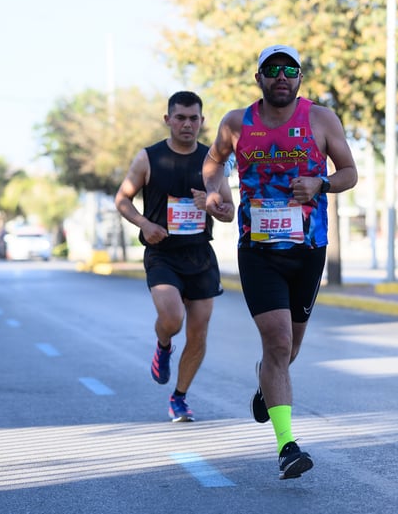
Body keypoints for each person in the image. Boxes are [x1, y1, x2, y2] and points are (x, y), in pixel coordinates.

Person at [202, 45, 358, 479]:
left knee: (289, 349)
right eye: (272, 70)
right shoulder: (236, 123)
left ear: (300, 77)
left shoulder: (321, 118)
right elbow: (213, 163)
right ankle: (287, 446)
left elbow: (349, 172)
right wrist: (218, 193)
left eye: (290, 69)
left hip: (309, 249)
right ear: (259, 79)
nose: (281, 76)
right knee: (276, 341)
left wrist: (320, 183)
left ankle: (266, 385)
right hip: (258, 250)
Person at [114, 91, 235, 422]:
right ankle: (163, 344)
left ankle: (179, 397)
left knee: (198, 332)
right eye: (180, 117)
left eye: (193, 118)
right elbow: (122, 199)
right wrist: (143, 223)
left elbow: (229, 212)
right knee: (172, 319)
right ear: (167, 119)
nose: (187, 124)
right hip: (162, 252)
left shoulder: (212, 163)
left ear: (202, 121)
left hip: (199, 254)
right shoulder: (149, 158)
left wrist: (211, 205)